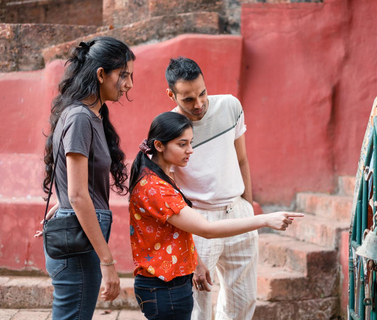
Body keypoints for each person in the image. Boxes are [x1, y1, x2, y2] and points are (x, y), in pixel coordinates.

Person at [128, 111, 303, 320]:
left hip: (172, 283)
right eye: (182, 144)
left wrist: (197, 262)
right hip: (164, 288)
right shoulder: (155, 188)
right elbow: (207, 230)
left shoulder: (160, 175)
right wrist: (265, 219)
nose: (190, 150)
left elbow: (179, 230)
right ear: (159, 145)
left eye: (191, 143)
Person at [36, 36, 135, 319]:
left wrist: (63, 201)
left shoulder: (90, 115)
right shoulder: (81, 118)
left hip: (79, 233)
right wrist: (108, 262)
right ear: (101, 74)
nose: (128, 84)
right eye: (123, 75)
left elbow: (75, 185)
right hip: (80, 239)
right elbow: (79, 195)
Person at [165, 57, 259, 320]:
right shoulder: (167, 128)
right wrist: (188, 243)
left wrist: (247, 208)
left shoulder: (230, 106)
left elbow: (242, 159)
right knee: (198, 307)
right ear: (171, 94)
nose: (199, 104)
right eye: (188, 99)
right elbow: (167, 188)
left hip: (238, 212)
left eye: (202, 93)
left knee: (243, 301)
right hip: (198, 220)